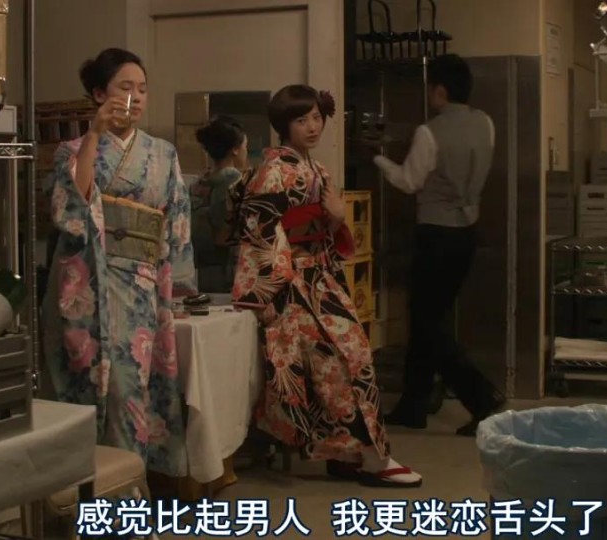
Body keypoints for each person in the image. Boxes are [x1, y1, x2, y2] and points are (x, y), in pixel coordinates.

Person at [233, 84, 422, 487]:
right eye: (301, 120)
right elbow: (259, 233)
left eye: (317, 117)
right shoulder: (273, 172)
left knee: (351, 358)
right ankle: (369, 457)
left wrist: (336, 219)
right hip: (289, 285)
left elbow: (327, 229)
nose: (312, 126)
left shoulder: (318, 169)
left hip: (320, 277)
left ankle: (353, 455)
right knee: (340, 361)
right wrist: (266, 296)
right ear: (284, 125)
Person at [41, 48, 196, 478]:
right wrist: (93, 134)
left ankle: (127, 493)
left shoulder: (162, 153)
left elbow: (177, 219)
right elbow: (71, 210)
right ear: (99, 94)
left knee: (132, 388)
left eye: (143, 89)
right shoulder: (72, 149)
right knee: (90, 386)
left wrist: (177, 287)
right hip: (87, 283)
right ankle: (83, 489)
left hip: (142, 286)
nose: (136, 97)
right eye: (125, 88)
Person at [372, 54, 505, 437]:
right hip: (467, 234)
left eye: (432, 88)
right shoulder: (486, 123)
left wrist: (379, 158)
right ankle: (413, 404)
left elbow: (409, 181)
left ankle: (482, 398)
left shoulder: (429, 132)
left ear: (441, 90)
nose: (430, 94)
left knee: (428, 323)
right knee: (429, 317)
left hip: (436, 234)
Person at [190, 116, 250, 292]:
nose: (246, 152)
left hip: (202, 267)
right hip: (226, 267)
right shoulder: (232, 179)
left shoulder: (201, 181)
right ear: (236, 150)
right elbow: (224, 234)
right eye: (245, 146)